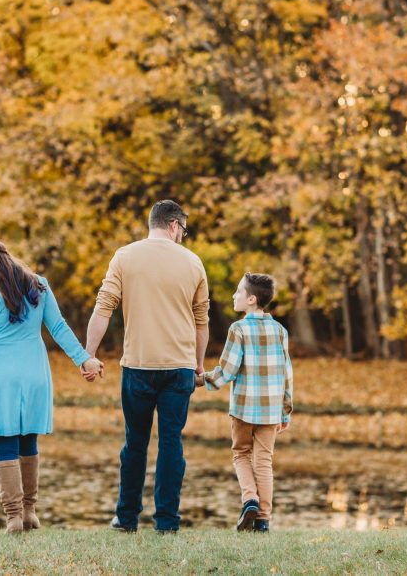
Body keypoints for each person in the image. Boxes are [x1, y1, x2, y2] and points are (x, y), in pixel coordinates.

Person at [0, 238, 104, 533]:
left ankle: (13, 516)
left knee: (5, 445)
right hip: (34, 373)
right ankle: (30, 512)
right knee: (28, 442)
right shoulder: (39, 285)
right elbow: (59, 327)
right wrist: (84, 359)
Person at [83, 199, 210, 534]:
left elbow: (103, 307)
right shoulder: (194, 263)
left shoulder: (124, 256)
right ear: (172, 225)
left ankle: (126, 518)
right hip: (180, 367)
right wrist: (198, 367)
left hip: (138, 366)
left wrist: (88, 354)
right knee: (172, 442)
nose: (183, 236)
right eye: (183, 229)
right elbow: (202, 322)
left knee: (135, 443)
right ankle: (166, 522)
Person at [202, 273, 293, 532]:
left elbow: (227, 371)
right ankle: (263, 521)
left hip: (243, 408)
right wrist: (286, 411)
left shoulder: (238, 329)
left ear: (251, 299)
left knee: (241, 454)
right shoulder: (280, 330)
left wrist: (202, 380)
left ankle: (249, 499)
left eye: (238, 292)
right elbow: (287, 372)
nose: (234, 296)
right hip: (271, 410)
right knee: (263, 461)